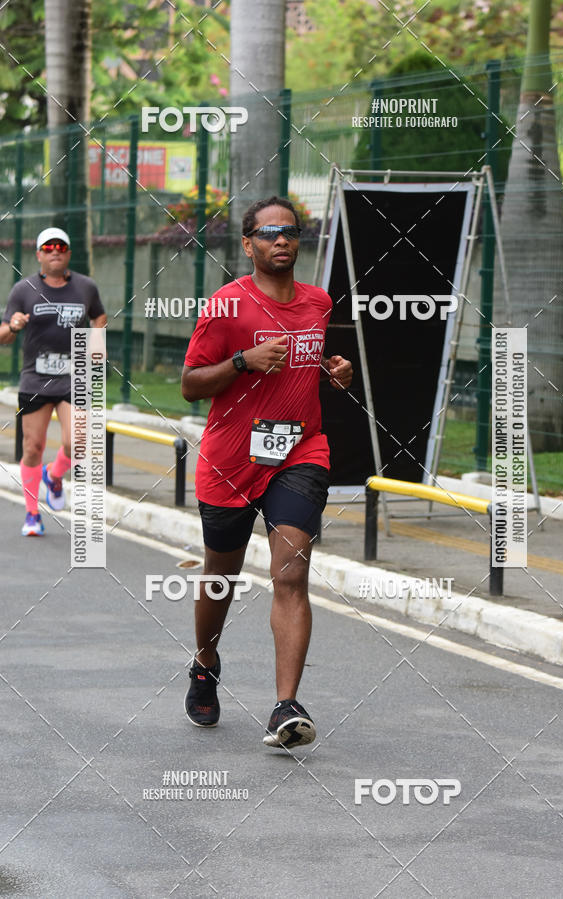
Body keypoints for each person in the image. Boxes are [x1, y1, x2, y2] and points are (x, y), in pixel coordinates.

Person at [181, 196, 353, 749]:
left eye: (290, 231)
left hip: (300, 453)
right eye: (269, 232)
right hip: (231, 460)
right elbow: (189, 383)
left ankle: (286, 706)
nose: (281, 240)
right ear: (249, 244)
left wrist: (334, 372)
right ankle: (206, 662)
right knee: (221, 576)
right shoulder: (226, 306)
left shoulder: (319, 303)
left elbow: (307, 369)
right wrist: (241, 363)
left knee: (292, 572)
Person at [0, 227, 107, 536]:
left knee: (79, 441)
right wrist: (15, 326)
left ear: (69, 253)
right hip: (35, 379)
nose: (55, 250)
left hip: (73, 376)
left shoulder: (86, 287)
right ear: (39, 255)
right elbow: (4, 335)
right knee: (32, 446)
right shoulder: (23, 289)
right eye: (48, 247)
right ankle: (32, 514)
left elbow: (99, 316)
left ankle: (55, 474)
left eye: (61, 246)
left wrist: (97, 338)